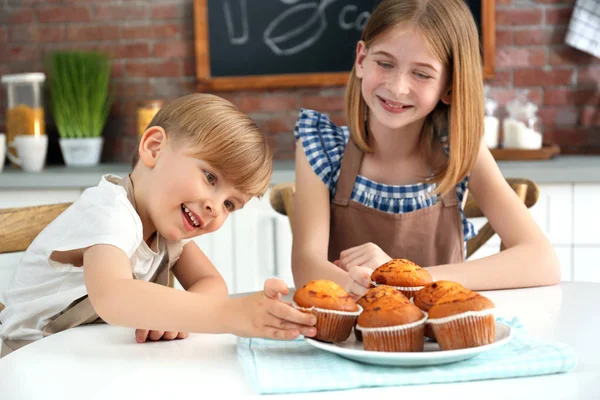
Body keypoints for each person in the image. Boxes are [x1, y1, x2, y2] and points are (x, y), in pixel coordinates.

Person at [0, 93, 316, 357]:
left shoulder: (167, 230)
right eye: (210, 178)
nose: (214, 208)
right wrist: (230, 315)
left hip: (83, 356)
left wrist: (177, 314)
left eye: (230, 204)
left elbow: (210, 281)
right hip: (25, 357)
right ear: (154, 148)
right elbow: (113, 297)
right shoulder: (109, 211)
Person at [291, 0, 560, 299]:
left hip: (443, 340)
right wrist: (374, 283)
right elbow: (306, 266)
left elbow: (542, 261)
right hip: (351, 339)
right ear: (361, 60)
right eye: (385, 63)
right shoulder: (321, 147)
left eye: (421, 74)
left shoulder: (460, 149)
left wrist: (405, 277)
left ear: (449, 86)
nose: (397, 87)